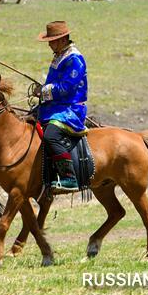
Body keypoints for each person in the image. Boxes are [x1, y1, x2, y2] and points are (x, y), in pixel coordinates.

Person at [32, 21, 87, 192]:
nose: (49, 44)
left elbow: (66, 87)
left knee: (51, 136)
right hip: (54, 106)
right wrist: (42, 89)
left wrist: (44, 91)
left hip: (70, 109)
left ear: (63, 40)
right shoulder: (60, 55)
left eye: (52, 40)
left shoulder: (74, 59)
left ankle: (68, 177)